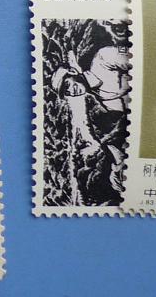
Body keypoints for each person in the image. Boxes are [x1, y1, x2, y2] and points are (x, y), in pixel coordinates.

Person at [51, 21, 130, 204]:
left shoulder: (102, 59)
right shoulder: (99, 99)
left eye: (68, 84)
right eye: (67, 92)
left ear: (73, 73)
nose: (72, 91)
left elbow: (138, 59)